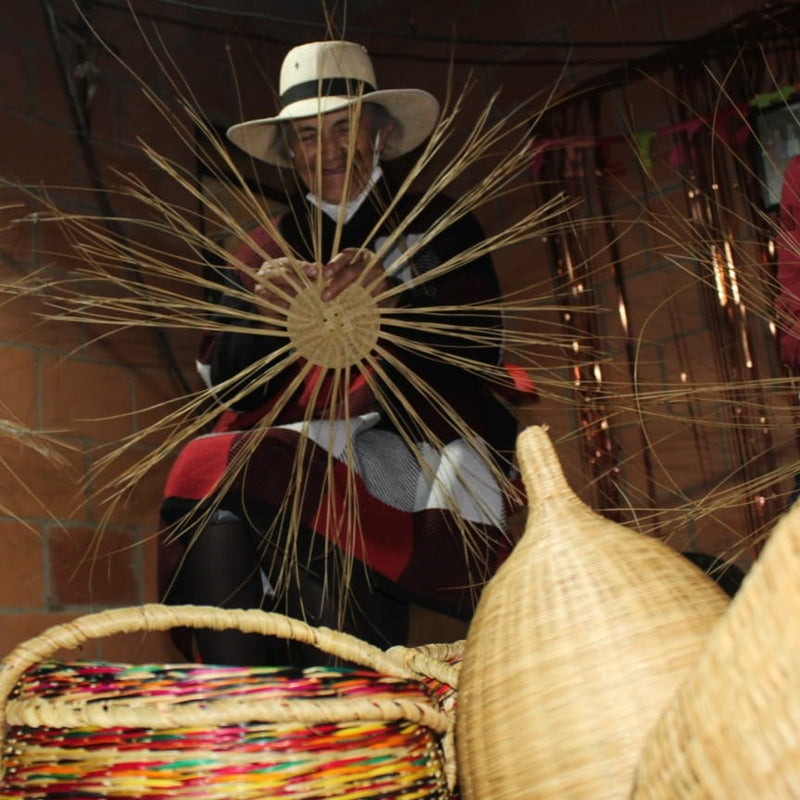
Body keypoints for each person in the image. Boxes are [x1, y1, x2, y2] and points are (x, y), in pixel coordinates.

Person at [158, 40, 521, 666]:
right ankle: (237, 702)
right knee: (206, 469)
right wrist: (264, 320)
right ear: (287, 152)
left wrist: (399, 301)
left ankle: (339, 703)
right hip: (289, 446)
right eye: (304, 137)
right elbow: (221, 383)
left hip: (415, 445)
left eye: (343, 128)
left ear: (379, 133)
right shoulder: (258, 250)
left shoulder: (438, 225)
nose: (324, 152)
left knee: (288, 484)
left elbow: (477, 348)